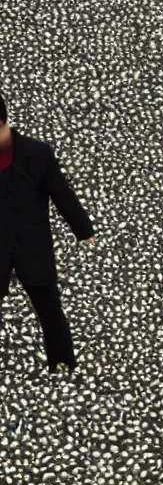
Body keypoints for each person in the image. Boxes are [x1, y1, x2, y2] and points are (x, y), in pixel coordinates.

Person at [0, 92, 97, 374]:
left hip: (32, 246)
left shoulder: (36, 153)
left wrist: (82, 228)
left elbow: (60, 192)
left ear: (4, 122)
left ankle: (62, 361)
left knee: (48, 306)